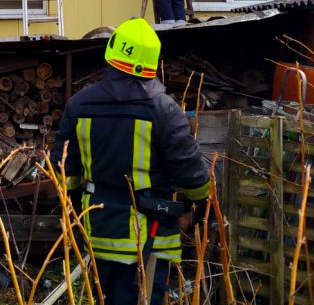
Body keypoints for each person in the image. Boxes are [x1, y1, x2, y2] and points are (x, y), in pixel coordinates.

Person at [51, 18, 212, 305]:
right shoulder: (164, 110)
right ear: (151, 63)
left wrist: (76, 209)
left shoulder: (78, 104)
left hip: (96, 230)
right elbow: (192, 175)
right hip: (147, 238)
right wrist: (199, 203)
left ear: (112, 54)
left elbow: (64, 172)